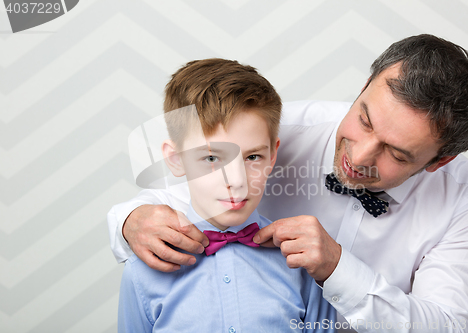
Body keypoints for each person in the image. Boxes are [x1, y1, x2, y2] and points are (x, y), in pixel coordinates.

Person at [108, 35, 468, 332]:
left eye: (396, 153)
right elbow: (182, 186)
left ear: (439, 160)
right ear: (364, 87)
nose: (358, 158)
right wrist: (130, 220)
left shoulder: (464, 199)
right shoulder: (271, 130)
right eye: (364, 120)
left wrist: (338, 268)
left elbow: (449, 326)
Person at [116, 58, 337, 332]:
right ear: (175, 159)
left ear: (273, 155)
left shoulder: (302, 264)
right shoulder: (143, 271)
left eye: (253, 156)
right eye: (211, 158)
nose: (236, 180)